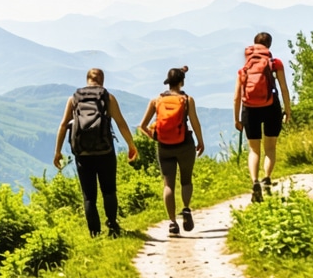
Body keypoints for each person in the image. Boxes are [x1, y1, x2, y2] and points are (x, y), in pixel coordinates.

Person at [53, 68, 138, 238]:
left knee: (89, 196)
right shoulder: (108, 97)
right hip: (105, 150)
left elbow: (63, 125)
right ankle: (112, 226)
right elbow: (120, 123)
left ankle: (94, 233)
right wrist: (131, 145)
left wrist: (58, 152)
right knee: (108, 190)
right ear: (102, 81)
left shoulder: (73, 99)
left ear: (87, 80)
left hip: (82, 153)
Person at [139, 66, 204, 235]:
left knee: (168, 185)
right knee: (186, 181)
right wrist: (200, 141)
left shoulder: (156, 101)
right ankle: (187, 209)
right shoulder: (187, 100)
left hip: (164, 147)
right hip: (185, 144)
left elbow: (142, 126)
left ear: (168, 82)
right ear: (182, 82)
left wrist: (154, 136)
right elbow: (195, 122)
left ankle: (172, 222)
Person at [234, 32, 292, 202]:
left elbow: (237, 96)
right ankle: (266, 178)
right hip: (271, 107)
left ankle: (255, 182)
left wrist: (236, 119)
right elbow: (283, 88)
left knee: (254, 149)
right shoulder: (275, 63)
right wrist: (287, 109)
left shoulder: (244, 68)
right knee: (270, 148)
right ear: (269, 45)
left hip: (249, 109)